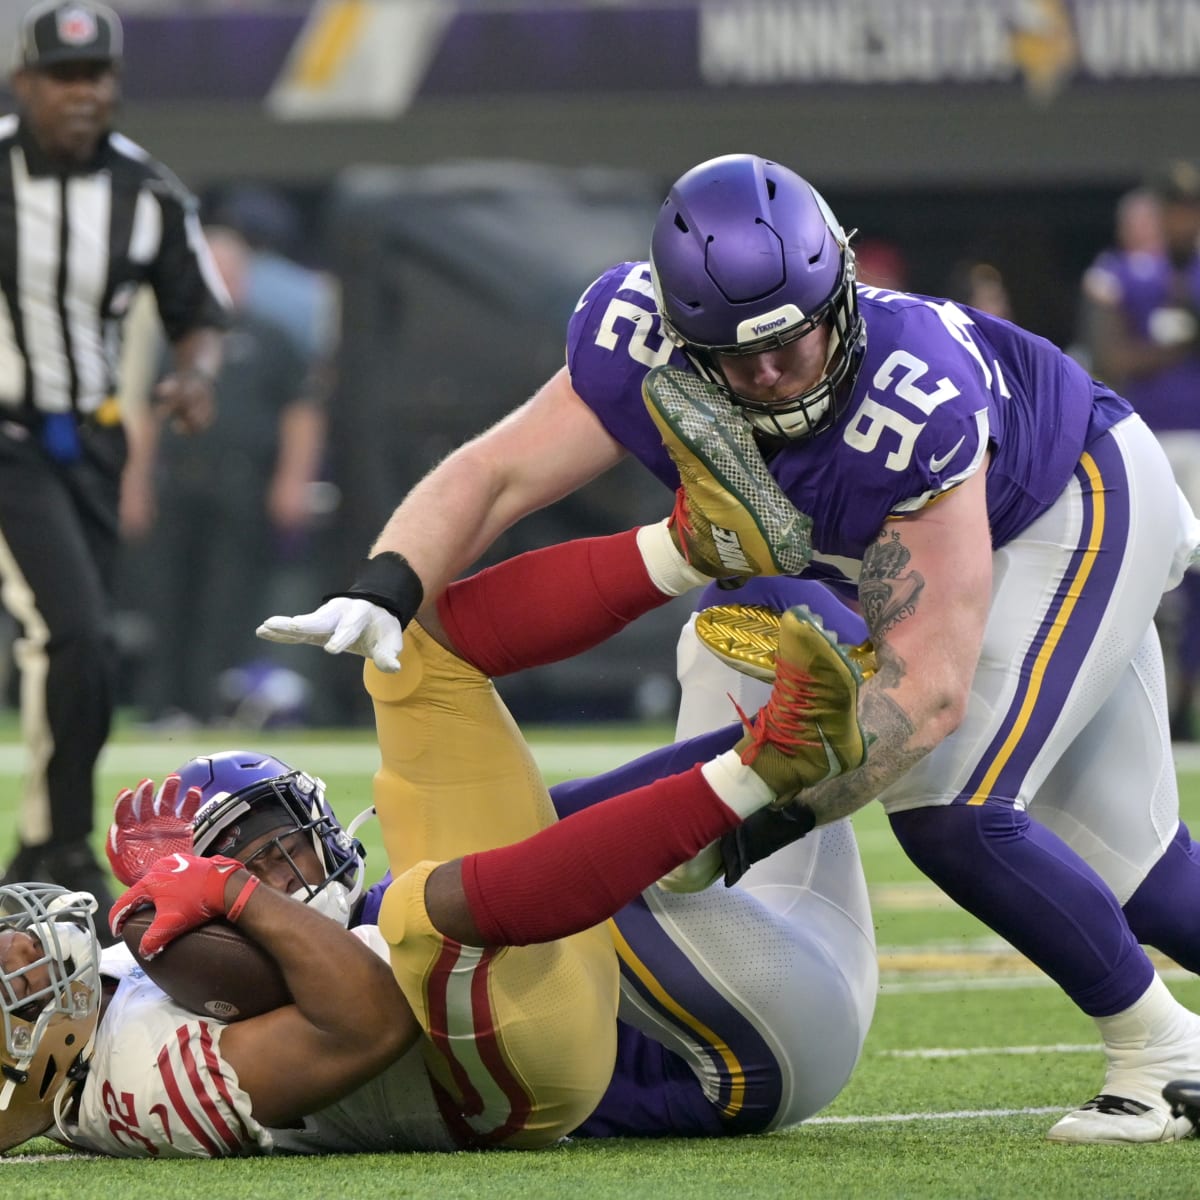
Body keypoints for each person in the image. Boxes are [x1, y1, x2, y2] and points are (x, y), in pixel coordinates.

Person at [261, 152, 1200, 1145]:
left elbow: (925, 697)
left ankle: (1160, 1054)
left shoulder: (915, 400)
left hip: (1069, 502)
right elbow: (496, 474)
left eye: (787, 341)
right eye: (730, 352)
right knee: (1138, 869)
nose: (762, 374)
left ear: (836, 290)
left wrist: (735, 821)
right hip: (929, 545)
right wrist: (387, 584)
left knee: (951, 803)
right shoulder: (639, 342)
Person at [0, 513, 875, 1155]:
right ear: (23, 1070)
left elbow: (216, 970)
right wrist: (220, 891)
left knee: (752, 607)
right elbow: (362, 1022)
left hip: (773, 957)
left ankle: (705, 550)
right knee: (438, 900)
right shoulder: (130, 1089)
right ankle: (766, 764)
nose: (12, 954)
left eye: (279, 847)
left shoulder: (100, 1014)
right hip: (727, 1050)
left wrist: (180, 889)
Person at [0, 0, 229, 917]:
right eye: (62, 76)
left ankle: (44, 839)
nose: (81, 94)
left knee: (84, 657)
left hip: (93, 439)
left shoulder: (146, 191)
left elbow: (197, 313)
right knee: (75, 634)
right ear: (25, 84)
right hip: (8, 437)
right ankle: (57, 846)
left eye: (95, 77)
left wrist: (195, 377)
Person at [131, 225, 325, 727]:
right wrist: (135, 481)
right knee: (167, 595)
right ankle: (163, 706)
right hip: (177, 483)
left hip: (240, 483)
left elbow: (301, 413)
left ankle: (213, 703)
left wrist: (291, 480)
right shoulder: (177, 339)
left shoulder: (271, 337)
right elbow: (151, 413)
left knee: (228, 598)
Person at [1080, 162, 1200, 739]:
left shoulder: (1187, 271)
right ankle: (1141, 708)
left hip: (1193, 438)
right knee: (1145, 576)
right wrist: (1175, 346)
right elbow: (1113, 358)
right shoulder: (1115, 272)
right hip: (1145, 441)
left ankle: (1185, 704)